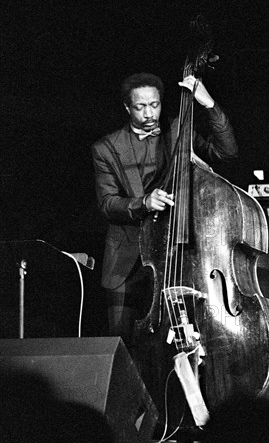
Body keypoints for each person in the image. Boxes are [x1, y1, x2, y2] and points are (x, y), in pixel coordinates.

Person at [92, 72, 238, 349]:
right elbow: (108, 203)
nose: (149, 113)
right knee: (122, 346)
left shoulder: (178, 129)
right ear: (127, 107)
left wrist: (208, 104)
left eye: (155, 105)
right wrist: (143, 202)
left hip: (177, 252)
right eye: (140, 107)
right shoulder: (106, 148)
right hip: (129, 259)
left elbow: (226, 153)